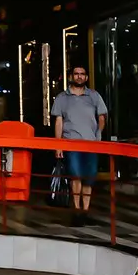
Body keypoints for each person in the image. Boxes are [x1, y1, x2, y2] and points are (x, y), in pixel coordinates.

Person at [50, 65, 109, 212]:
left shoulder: (94, 96)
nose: (79, 76)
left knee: (89, 178)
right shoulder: (62, 98)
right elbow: (58, 122)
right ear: (71, 77)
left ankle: (86, 210)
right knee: (75, 176)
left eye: (82, 74)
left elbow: (102, 117)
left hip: (91, 144)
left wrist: (98, 133)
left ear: (86, 77)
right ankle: (77, 209)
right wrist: (58, 145)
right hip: (71, 143)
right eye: (76, 74)